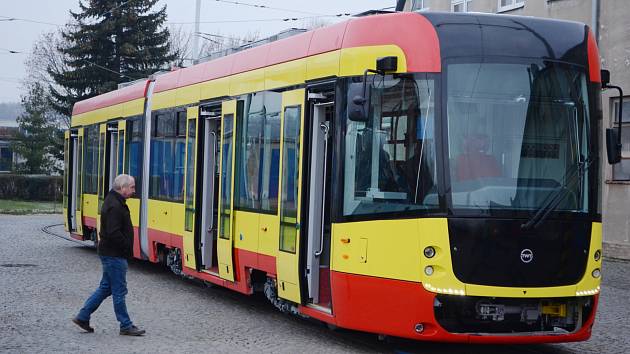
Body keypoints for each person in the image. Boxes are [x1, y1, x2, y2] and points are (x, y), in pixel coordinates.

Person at [72, 174, 145, 336]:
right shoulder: (114, 205)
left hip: (111, 253)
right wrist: (126, 246)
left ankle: (83, 316)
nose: (134, 190)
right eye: (132, 187)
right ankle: (125, 325)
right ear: (122, 188)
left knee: (106, 288)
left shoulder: (115, 202)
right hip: (114, 255)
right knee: (119, 290)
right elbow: (113, 232)